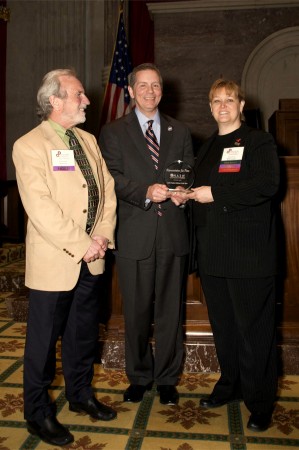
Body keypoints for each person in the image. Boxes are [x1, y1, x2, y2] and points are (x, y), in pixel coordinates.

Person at [13, 68, 117, 447]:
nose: (86, 100)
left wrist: (102, 236)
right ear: (55, 101)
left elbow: (106, 190)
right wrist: (82, 243)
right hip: (57, 262)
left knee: (83, 335)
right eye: (77, 95)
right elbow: (41, 209)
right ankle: (37, 413)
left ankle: (81, 394)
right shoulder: (28, 145)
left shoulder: (88, 140)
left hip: (93, 257)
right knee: (42, 344)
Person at [185, 78, 280, 432]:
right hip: (212, 255)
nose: (223, 106)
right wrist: (187, 196)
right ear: (209, 107)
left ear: (242, 104)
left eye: (229, 99)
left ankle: (260, 401)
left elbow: (267, 184)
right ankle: (230, 385)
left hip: (249, 256)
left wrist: (216, 195)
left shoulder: (259, 141)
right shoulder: (207, 146)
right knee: (224, 329)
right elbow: (203, 191)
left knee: (254, 332)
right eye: (216, 101)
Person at [99, 63, 194, 405]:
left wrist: (184, 194)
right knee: (136, 312)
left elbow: (187, 174)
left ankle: (168, 378)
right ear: (131, 91)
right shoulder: (113, 132)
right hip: (134, 235)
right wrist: (144, 191)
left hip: (172, 233)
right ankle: (139, 376)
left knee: (171, 312)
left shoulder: (179, 131)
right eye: (143, 86)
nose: (150, 91)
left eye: (156, 86)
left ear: (162, 91)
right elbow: (111, 178)